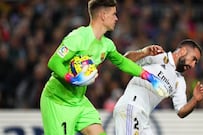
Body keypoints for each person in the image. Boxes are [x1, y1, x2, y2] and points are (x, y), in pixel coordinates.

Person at [40, 0, 165, 135]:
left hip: (79, 101)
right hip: (57, 101)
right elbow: (53, 62)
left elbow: (122, 62)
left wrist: (148, 76)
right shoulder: (78, 37)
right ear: (103, 15)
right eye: (113, 14)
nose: (116, 18)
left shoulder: (107, 45)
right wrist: (71, 79)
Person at [113, 39, 203, 135]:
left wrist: (195, 99)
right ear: (183, 51)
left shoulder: (179, 81)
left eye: (195, 63)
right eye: (193, 59)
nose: (192, 65)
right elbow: (123, 61)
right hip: (131, 107)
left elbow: (181, 111)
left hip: (144, 117)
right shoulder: (158, 55)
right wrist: (143, 53)